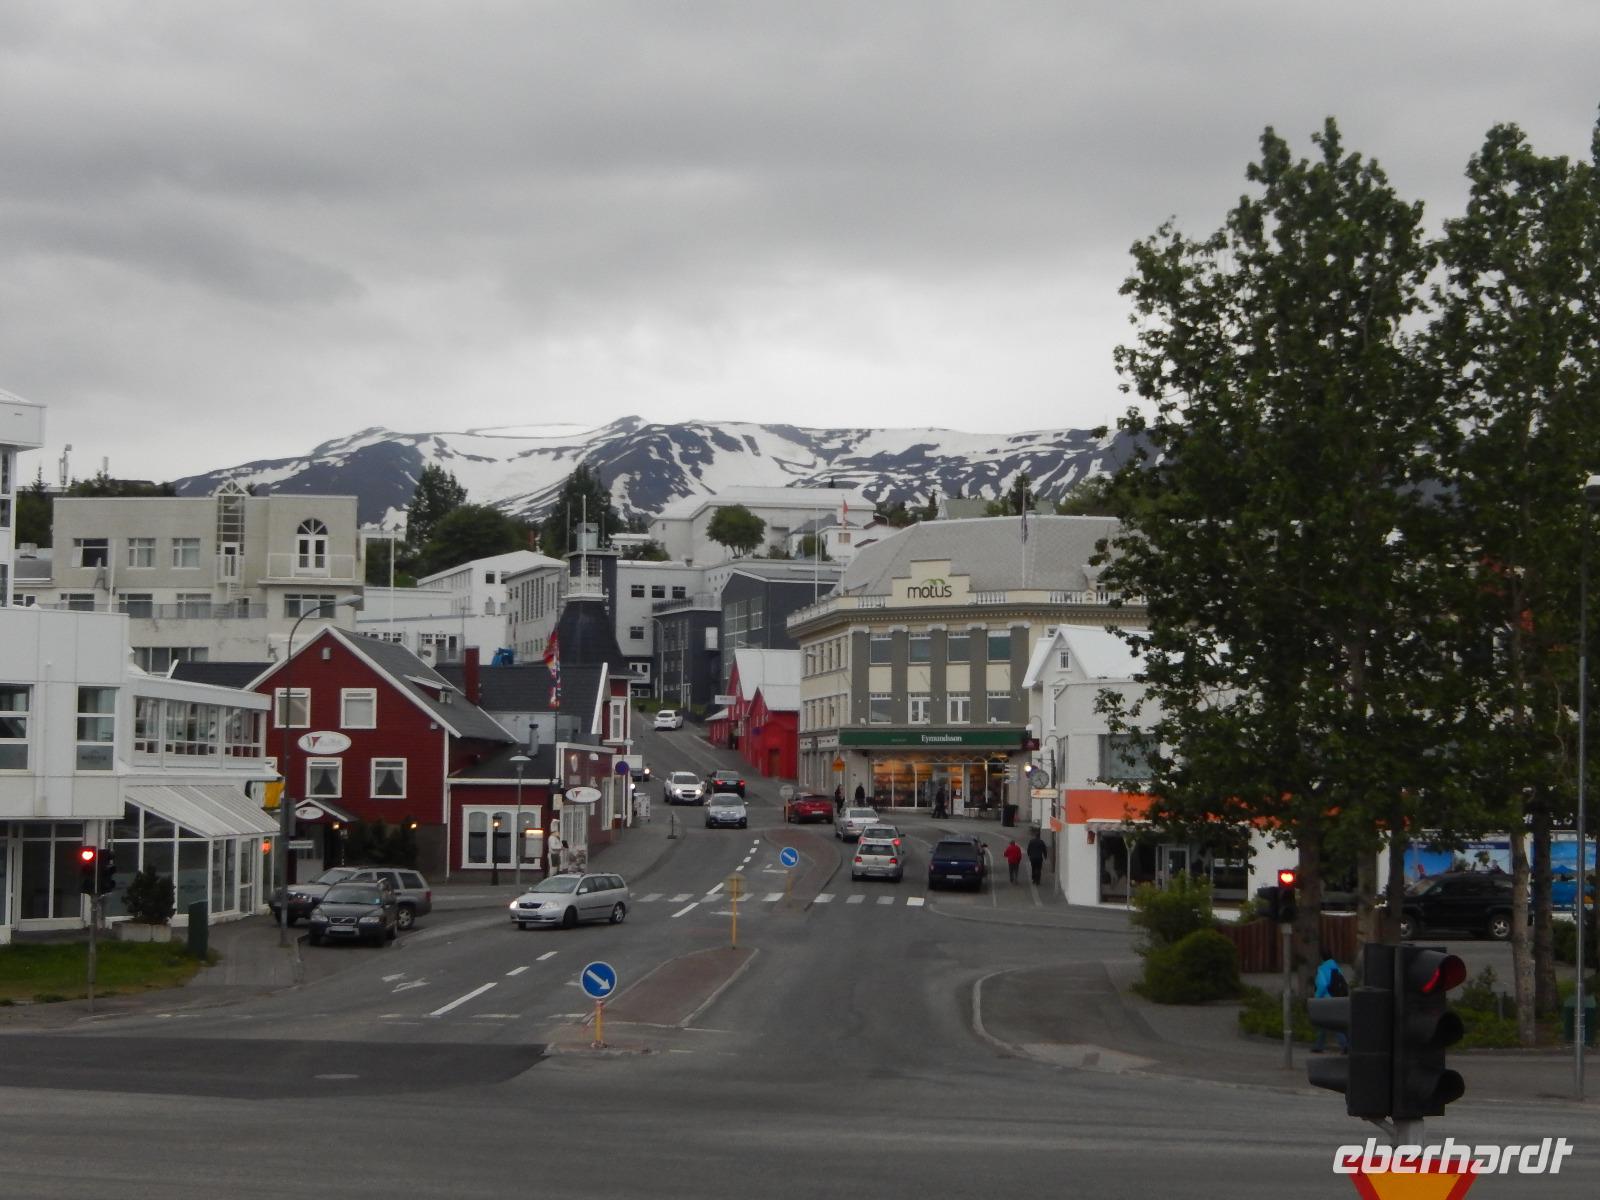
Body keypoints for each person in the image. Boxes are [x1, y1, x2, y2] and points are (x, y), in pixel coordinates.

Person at [1312, 948, 1350, 1053]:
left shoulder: (1322, 969)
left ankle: (1345, 1045)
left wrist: (1317, 997)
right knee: (1328, 1023)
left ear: (1321, 958)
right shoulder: (1336, 967)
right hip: (1337, 997)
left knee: (1329, 1023)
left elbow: (1322, 985)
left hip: (1326, 999)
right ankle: (1319, 1045)